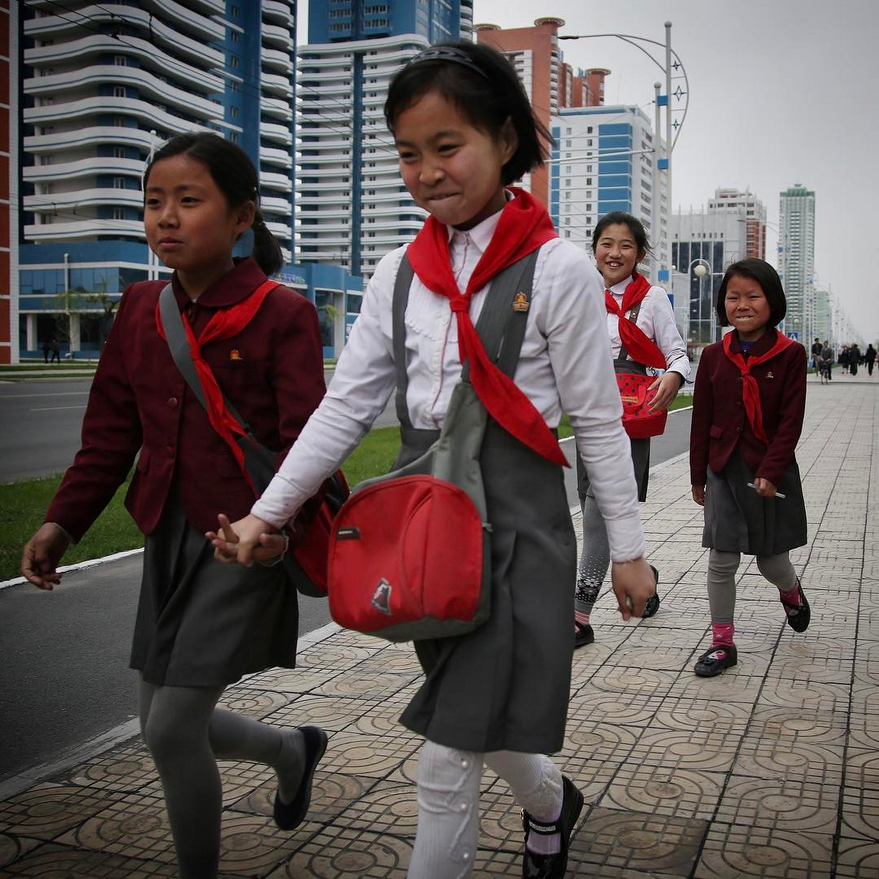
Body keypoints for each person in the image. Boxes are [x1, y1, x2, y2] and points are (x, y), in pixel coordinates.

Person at [210, 42, 656, 879]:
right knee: (473, 718)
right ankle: (552, 802)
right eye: (407, 153)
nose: (424, 171)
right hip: (427, 524)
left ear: (502, 137)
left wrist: (627, 553)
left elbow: (597, 422)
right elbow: (347, 404)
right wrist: (268, 512)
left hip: (519, 528)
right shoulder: (398, 272)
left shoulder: (557, 268)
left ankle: (535, 815)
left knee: (445, 755)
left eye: (446, 146)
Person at [20, 132, 328, 878]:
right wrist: (63, 522)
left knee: (169, 726)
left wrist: (273, 532)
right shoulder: (137, 308)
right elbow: (109, 434)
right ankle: (291, 749)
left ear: (240, 217)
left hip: (244, 542)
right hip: (167, 536)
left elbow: (307, 445)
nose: (165, 217)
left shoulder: (281, 312)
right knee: (166, 724)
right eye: (154, 201)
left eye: (188, 201)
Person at [573, 212, 689, 648]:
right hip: (588, 416)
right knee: (596, 512)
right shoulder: (583, 295)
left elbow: (678, 355)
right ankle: (646, 578)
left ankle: (579, 616)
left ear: (639, 253)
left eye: (625, 245)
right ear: (595, 250)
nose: (614, 253)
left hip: (629, 420)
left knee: (594, 514)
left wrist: (674, 377)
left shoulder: (652, 298)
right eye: (606, 243)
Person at [689, 258, 810, 677]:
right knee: (721, 559)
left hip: (769, 470)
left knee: (770, 562)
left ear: (771, 301)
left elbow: (791, 422)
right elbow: (701, 418)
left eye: (752, 296)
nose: (742, 304)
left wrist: (771, 471)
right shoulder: (712, 355)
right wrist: (698, 474)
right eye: (733, 296)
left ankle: (791, 593)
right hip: (723, 468)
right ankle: (722, 642)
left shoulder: (791, 355)